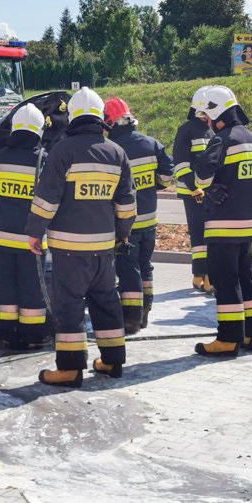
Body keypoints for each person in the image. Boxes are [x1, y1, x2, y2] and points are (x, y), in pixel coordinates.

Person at [26, 87, 136, 388]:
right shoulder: (117, 153)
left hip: (69, 249)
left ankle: (70, 369)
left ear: (73, 117)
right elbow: (126, 206)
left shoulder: (63, 151)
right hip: (103, 249)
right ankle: (112, 361)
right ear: (101, 117)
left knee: (70, 307)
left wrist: (35, 232)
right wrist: (120, 237)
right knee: (106, 302)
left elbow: (47, 199)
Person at [192, 86, 252, 356]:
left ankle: (228, 338)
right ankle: (249, 335)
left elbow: (201, 178)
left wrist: (211, 186)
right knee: (247, 277)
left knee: (225, 280)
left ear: (216, 112)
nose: (207, 122)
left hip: (223, 224)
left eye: (207, 116)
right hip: (248, 224)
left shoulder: (221, 140)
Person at [105, 97, 173, 332]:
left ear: (111, 123)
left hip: (127, 222)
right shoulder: (152, 144)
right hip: (150, 219)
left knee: (127, 267)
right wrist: (151, 188)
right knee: (145, 265)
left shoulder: (113, 150)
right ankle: (145, 312)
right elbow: (166, 177)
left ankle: (131, 319)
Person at [0, 103, 51, 350]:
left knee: (7, 288)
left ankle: (7, 333)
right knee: (32, 289)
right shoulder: (42, 161)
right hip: (31, 240)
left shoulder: (1, 157)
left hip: (2, 237)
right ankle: (33, 334)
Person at [172, 87, 215, 294]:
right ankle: (202, 275)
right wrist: (194, 188)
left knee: (209, 235)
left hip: (211, 192)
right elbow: (180, 164)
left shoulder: (212, 130)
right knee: (199, 235)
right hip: (193, 193)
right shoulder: (186, 130)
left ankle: (202, 275)